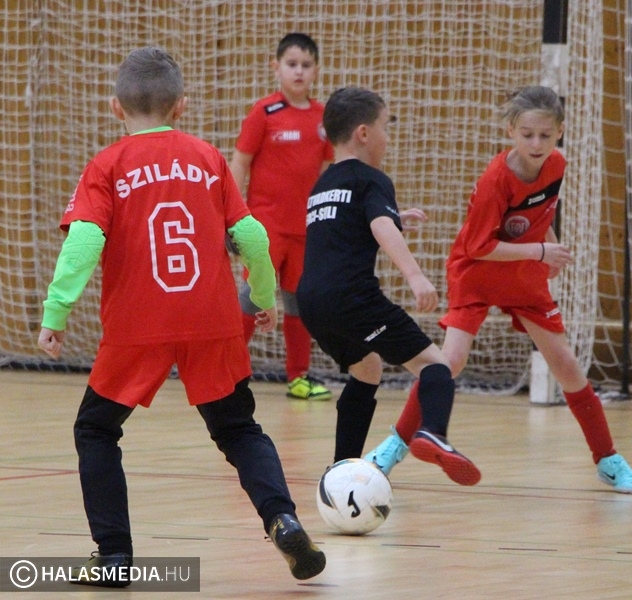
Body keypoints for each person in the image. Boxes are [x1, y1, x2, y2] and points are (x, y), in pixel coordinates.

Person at [37, 47, 326, 588]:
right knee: (238, 429)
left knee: (95, 430)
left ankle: (114, 557)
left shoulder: (107, 165)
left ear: (116, 108)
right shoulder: (208, 158)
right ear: (181, 106)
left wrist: (56, 312)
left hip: (138, 324)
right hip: (212, 319)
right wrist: (263, 295)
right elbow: (252, 235)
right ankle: (282, 519)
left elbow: (84, 241)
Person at [364, 85, 632, 494]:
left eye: (546, 135)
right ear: (511, 130)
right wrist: (541, 250)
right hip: (477, 272)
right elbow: (479, 247)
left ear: (560, 132)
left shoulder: (557, 164)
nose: (536, 144)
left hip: (523, 275)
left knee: (566, 365)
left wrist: (547, 246)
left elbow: (539, 213)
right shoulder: (495, 179)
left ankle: (607, 458)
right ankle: (393, 447)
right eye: (527, 134)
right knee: (449, 362)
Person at [296, 86, 481, 486]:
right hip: (353, 298)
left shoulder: (322, 185)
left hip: (310, 302)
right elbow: (379, 225)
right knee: (435, 366)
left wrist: (394, 216)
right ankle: (432, 432)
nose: (388, 136)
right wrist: (416, 276)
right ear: (364, 133)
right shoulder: (372, 179)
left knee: (367, 368)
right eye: (386, 126)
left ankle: (341, 470)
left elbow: (347, 226)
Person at [230, 32, 334, 401]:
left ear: (316, 70)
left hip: (305, 229)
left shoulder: (323, 117)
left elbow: (327, 171)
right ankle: (228, 369)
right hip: (265, 227)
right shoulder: (264, 112)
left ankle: (298, 377)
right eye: (292, 64)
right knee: (252, 295)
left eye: (306, 65)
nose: (299, 71)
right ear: (276, 67)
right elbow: (239, 163)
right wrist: (233, 216)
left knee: (298, 302)